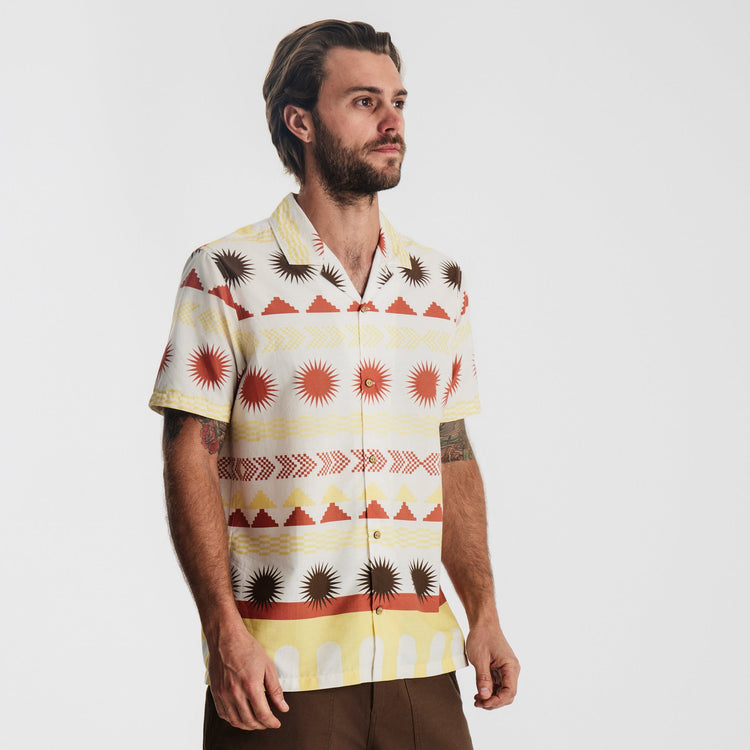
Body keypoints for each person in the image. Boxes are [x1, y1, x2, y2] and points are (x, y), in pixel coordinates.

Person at [149, 19, 519, 749]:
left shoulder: (438, 284)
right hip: (281, 676)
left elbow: (451, 451)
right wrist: (222, 630)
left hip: (422, 666)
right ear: (301, 121)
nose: (392, 121)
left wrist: (484, 614)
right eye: (364, 101)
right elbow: (189, 453)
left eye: (398, 102)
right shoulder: (226, 274)